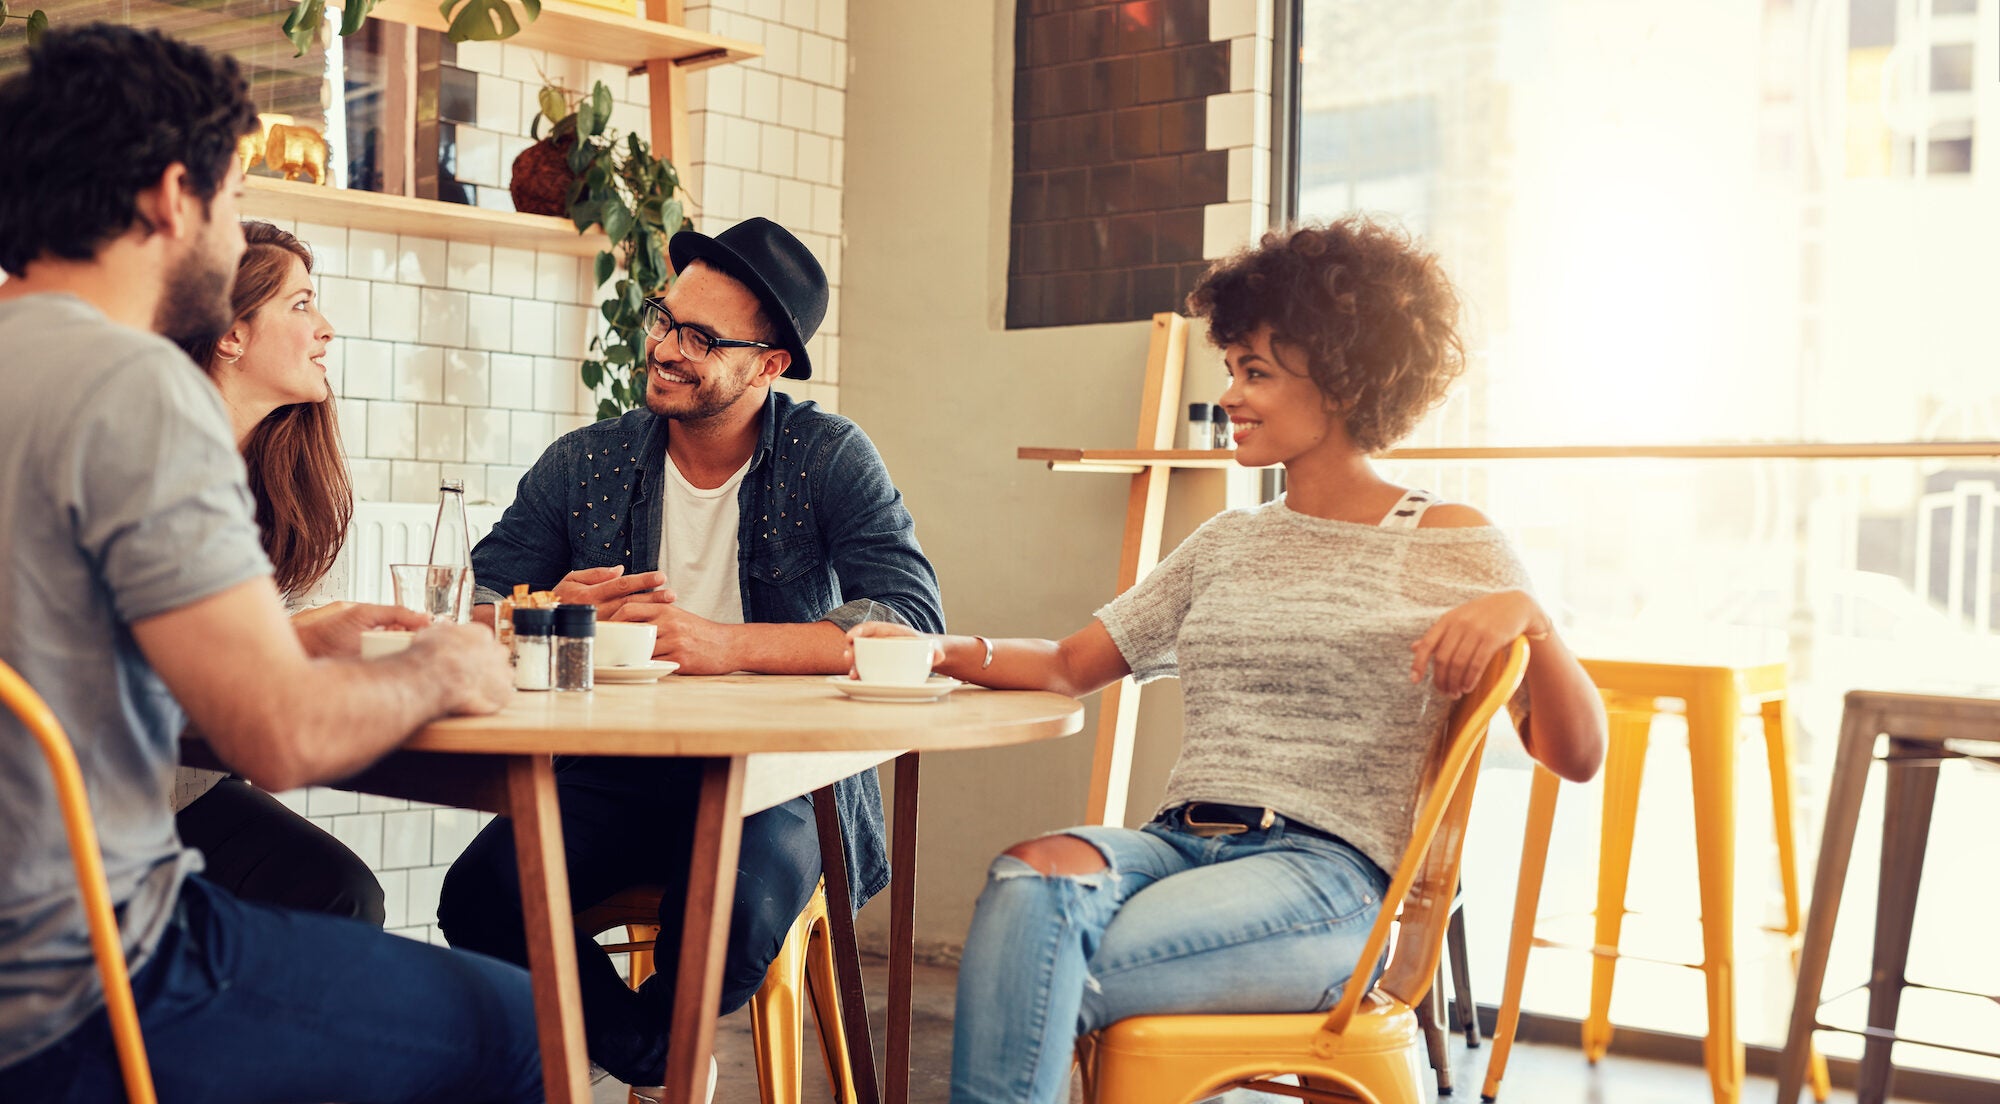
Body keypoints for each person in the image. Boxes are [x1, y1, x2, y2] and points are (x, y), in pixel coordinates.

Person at [844, 219, 1610, 1104]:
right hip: (1174, 843)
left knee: (1045, 967)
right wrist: (930, 648)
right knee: (1029, 882)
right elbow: (1066, 663)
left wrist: (1532, 621)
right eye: (1233, 368)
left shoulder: (1450, 541)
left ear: (1345, 380)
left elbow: (1577, 753)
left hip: (1326, 880)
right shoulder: (1227, 543)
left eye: (1257, 373)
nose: (1231, 395)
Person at [0, 25, 540, 1102]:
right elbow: (280, 736)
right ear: (169, 198)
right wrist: (445, 667)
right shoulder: (138, 386)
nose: (235, 229)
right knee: (534, 1029)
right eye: (234, 199)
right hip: (84, 986)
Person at [437, 216, 944, 1092]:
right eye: (665, 318)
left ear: (769, 364)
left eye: (700, 338)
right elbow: (468, 604)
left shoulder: (828, 457)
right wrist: (543, 613)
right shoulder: (586, 463)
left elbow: (910, 615)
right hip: (616, 768)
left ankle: (640, 1059)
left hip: (779, 779)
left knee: (734, 920)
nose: (665, 348)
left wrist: (722, 645)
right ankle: (661, 1061)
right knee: (482, 894)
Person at [169, 219, 396, 925]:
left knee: (341, 893)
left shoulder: (272, 479)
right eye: (301, 305)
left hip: (186, 784)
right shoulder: (157, 463)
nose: (325, 328)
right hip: (95, 795)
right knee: (338, 899)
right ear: (230, 331)